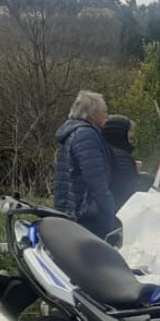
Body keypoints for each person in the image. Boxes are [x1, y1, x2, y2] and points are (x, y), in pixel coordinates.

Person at [54, 90, 117, 239]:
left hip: (71, 205)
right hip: (85, 211)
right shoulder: (86, 135)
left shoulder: (72, 132)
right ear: (92, 114)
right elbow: (95, 178)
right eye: (105, 112)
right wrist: (110, 209)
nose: (107, 116)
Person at [102, 114, 149, 208]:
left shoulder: (107, 151)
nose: (132, 136)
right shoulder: (120, 157)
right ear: (120, 133)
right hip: (122, 209)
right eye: (129, 132)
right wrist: (147, 179)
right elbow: (131, 188)